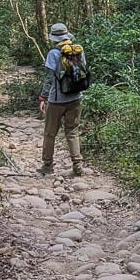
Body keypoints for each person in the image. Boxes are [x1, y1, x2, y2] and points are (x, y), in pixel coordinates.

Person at [38, 22, 86, 176]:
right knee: (72, 132)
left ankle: (47, 166)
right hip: (76, 98)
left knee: (50, 133)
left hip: (57, 100)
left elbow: (49, 78)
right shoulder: (79, 50)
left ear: (54, 38)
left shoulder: (53, 53)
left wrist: (43, 97)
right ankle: (77, 165)